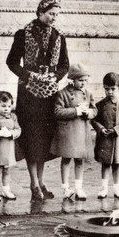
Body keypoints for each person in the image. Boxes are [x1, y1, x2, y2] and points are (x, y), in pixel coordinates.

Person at [6, 0, 69, 201]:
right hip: (29, 95)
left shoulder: (59, 37)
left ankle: (41, 182)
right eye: (51, 14)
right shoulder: (23, 34)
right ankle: (34, 184)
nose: (54, 18)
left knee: (44, 138)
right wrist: (29, 75)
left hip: (49, 94)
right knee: (31, 137)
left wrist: (55, 76)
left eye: (57, 15)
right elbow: (12, 62)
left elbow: (64, 65)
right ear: (40, 13)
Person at [50, 63, 97, 200]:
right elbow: (57, 112)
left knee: (80, 160)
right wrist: (76, 111)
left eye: (85, 80)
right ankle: (65, 187)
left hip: (82, 131)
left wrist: (89, 112)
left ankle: (78, 187)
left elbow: (94, 109)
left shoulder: (88, 94)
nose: (83, 83)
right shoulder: (63, 93)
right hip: (68, 133)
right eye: (80, 80)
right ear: (72, 80)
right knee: (66, 159)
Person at [91, 72, 119, 199]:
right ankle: (104, 188)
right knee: (105, 163)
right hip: (105, 139)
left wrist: (117, 130)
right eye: (107, 88)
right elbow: (94, 120)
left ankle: (117, 188)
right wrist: (101, 128)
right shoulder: (99, 105)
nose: (110, 92)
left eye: (113, 89)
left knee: (117, 164)